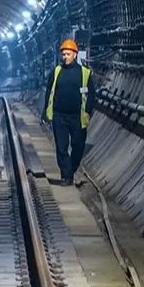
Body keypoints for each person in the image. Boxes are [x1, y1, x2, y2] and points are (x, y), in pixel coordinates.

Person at [42, 38, 91, 185]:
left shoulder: (85, 73)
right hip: (59, 116)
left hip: (77, 117)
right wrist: (45, 111)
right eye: (63, 54)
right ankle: (66, 176)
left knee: (78, 146)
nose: (65, 57)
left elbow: (92, 94)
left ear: (75, 55)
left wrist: (88, 111)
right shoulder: (57, 71)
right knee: (61, 147)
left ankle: (71, 169)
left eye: (68, 54)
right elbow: (49, 91)